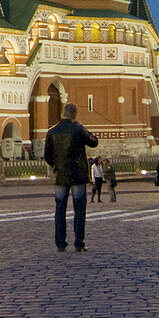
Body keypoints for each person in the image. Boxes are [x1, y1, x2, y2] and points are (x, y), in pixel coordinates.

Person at [43, 102, 98, 253]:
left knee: (60, 209)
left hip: (61, 175)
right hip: (77, 175)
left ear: (63, 113)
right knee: (79, 209)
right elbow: (94, 142)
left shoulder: (52, 131)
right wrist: (81, 127)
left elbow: (47, 156)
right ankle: (79, 243)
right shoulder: (78, 129)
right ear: (75, 114)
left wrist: (57, 165)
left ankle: (60, 243)